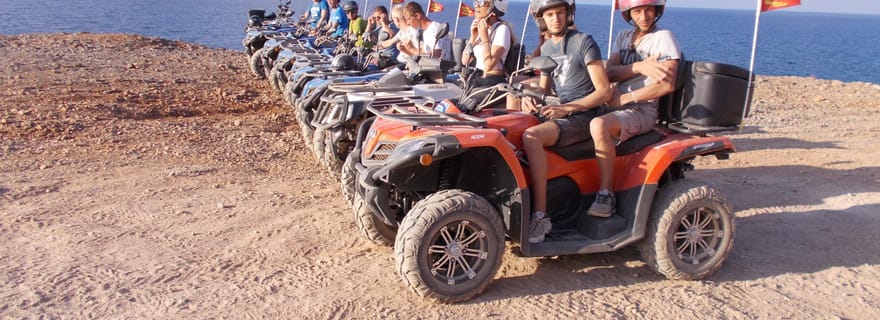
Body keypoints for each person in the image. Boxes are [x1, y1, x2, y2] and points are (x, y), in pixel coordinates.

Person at [521, 0, 612, 243]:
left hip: (585, 115)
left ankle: (541, 216)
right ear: (542, 19)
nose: (555, 18)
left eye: (559, 12)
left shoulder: (583, 42)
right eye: (550, 14)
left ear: (568, 14)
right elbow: (544, 89)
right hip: (562, 111)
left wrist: (567, 108)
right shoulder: (547, 47)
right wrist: (529, 98)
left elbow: (604, 91)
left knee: (531, 137)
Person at [587, 0, 681, 218]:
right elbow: (609, 73)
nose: (644, 16)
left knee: (599, 125)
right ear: (629, 14)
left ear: (657, 11)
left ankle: (606, 194)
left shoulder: (663, 38)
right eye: (637, 11)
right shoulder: (624, 37)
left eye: (648, 10)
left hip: (642, 109)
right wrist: (638, 67)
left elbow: (667, 84)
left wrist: (627, 98)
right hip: (616, 102)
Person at [458, 0, 512, 111]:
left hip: (492, 82)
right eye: (476, 2)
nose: (477, 6)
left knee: (465, 107)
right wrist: (473, 37)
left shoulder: (502, 29)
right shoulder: (482, 30)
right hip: (476, 80)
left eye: (482, 2)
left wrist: (484, 38)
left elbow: (489, 65)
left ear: (494, 8)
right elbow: (465, 61)